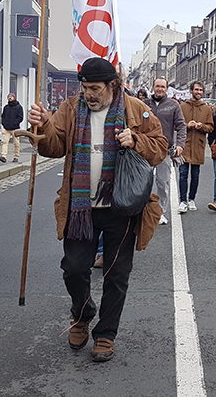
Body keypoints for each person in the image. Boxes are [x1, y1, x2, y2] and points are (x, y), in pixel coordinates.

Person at [26, 57, 167, 363]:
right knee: (74, 269)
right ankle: (82, 313)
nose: (88, 94)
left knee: (117, 275)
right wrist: (42, 124)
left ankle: (105, 334)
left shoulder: (136, 109)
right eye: (84, 87)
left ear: (112, 85)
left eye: (94, 88)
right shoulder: (71, 109)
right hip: (80, 209)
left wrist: (137, 139)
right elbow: (53, 146)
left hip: (122, 208)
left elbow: (160, 149)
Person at [145, 78, 186, 225]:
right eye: (157, 86)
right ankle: (143, 211)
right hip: (146, 150)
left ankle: (160, 212)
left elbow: (181, 126)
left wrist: (180, 145)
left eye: (163, 86)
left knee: (163, 183)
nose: (160, 89)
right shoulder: (144, 104)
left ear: (167, 89)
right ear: (153, 87)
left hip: (164, 151)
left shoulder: (173, 105)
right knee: (144, 183)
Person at [178, 81, 214, 213]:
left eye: (200, 90)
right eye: (196, 90)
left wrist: (201, 126)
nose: (198, 92)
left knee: (195, 175)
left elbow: (210, 127)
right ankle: (182, 201)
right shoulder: (182, 106)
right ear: (191, 91)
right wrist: (188, 125)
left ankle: (191, 199)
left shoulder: (206, 108)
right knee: (182, 174)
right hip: (184, 144)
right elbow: (177, 124)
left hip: (198, 145)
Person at [0, 93, 23, 163]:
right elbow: (3, 116)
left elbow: (20, 117)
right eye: (9, 97)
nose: (10, 98)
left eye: (11, 97)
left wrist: (15, 123)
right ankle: (3, 156)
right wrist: (3, 123)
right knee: (5, 142)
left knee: (16, 143)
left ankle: (16, 156)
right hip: (6, 128)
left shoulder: (18, 107)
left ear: (14, 98)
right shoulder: (6, 107)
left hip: (15, 128)